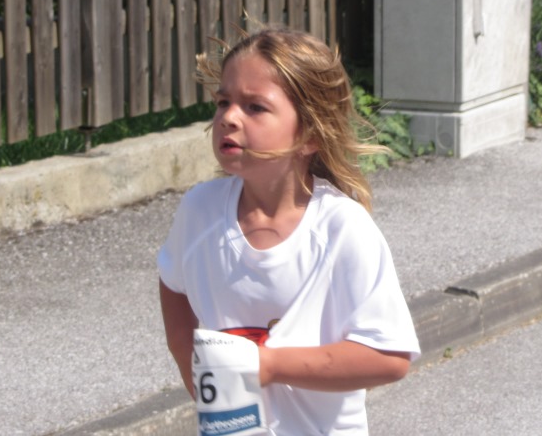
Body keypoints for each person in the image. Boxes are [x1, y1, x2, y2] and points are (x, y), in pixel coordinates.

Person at [157, 28, 420, 435]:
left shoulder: (341, 228)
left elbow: (389, 356)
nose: (228, 117)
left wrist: (269, 365)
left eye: (255, 107)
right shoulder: (199, 211)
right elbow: (172, 281)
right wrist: (188, 359)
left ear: (309, 134)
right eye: (224, 101)